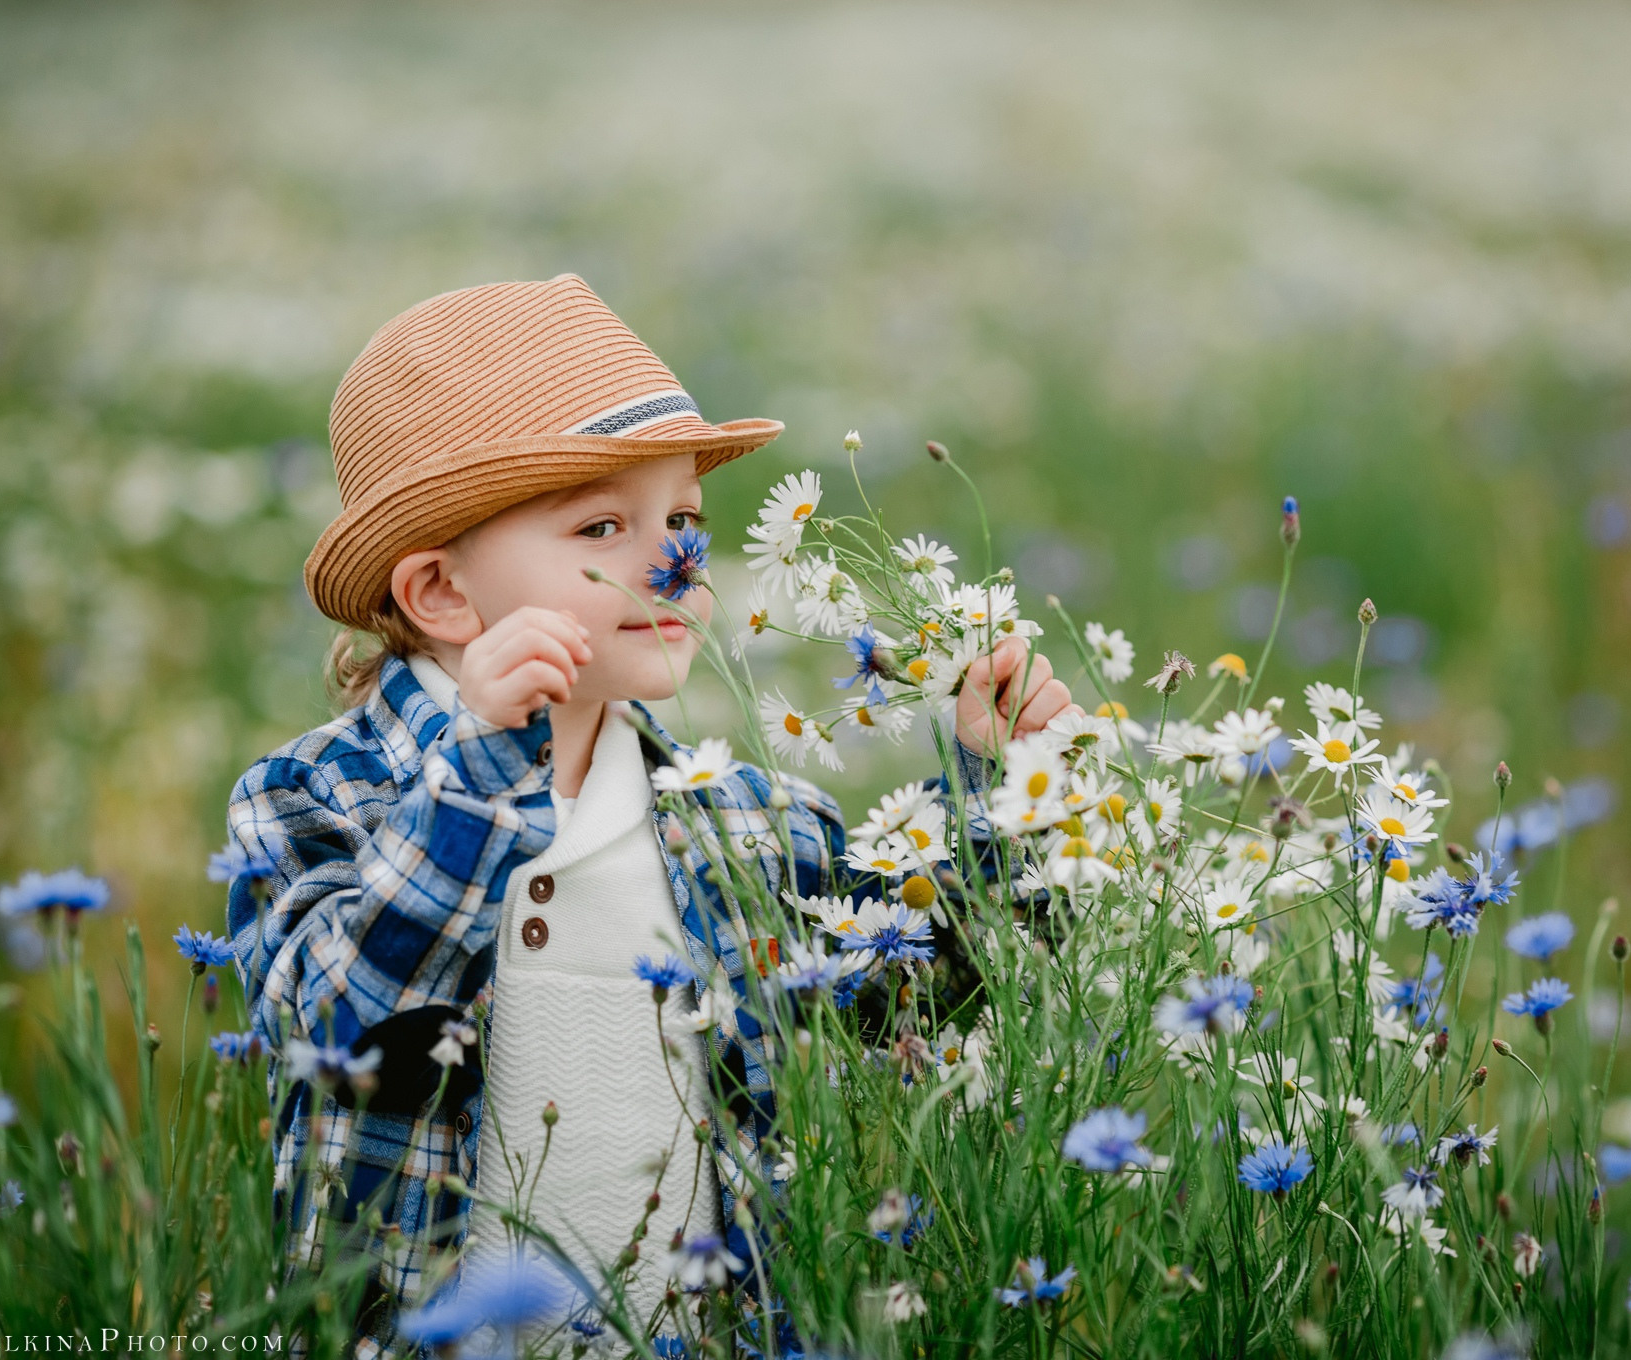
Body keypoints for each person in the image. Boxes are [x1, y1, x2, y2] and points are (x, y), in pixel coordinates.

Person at [222, 276, 1077, 1358]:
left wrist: (1003, 790)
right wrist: (480, 772)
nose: (674, 560)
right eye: (603, 524)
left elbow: (927, 988)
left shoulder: (737, 815)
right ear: (440, 594)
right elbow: (337, 1022)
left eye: (684, 521)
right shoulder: (313, 798)